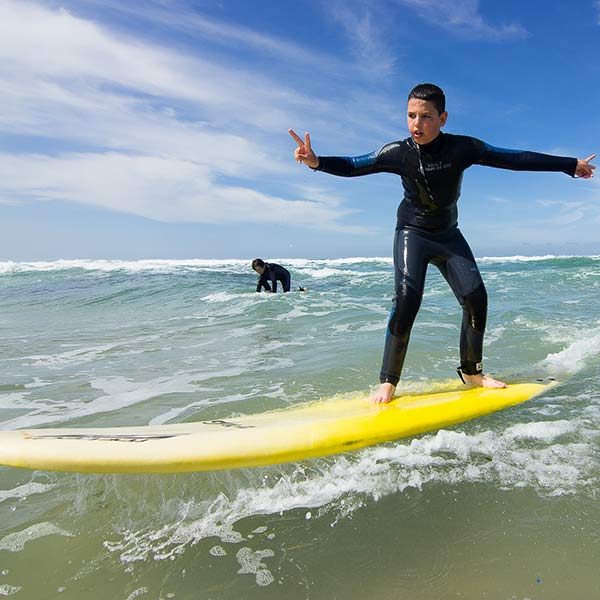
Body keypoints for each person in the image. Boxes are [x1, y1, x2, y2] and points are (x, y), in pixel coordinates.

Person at [289, 83, 595, 404]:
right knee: (408, 299)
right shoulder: (398, 153)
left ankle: (472, 373)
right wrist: (316, 161)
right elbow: (355, 164)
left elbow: (513, 158)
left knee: (477, 299)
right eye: (411, 116)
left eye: (425, 116)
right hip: (412, 233)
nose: (416, 124)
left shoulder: (462, 148)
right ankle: (388, 383)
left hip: (449, 235)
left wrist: (568, 165)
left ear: (443, 118)